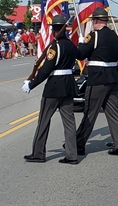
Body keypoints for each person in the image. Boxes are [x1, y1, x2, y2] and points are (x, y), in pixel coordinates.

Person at [23, 14, 79, 164]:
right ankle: (72, 155)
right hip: (68, 84)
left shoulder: (55, 46)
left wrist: (31, 84)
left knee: (44, 120)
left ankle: (38, 153)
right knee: (69, 122)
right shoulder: (71, 45)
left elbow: (45, 70)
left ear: (54, 29)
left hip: (54, 86)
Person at [75, 8, 118, 156]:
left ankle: (79, 144)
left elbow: (81, 55)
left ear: (95, 21)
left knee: (90, 112)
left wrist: (81, 44)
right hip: (112, 77)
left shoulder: (94, 36)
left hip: (98, 78)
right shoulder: (114, 36)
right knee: (113, 112)